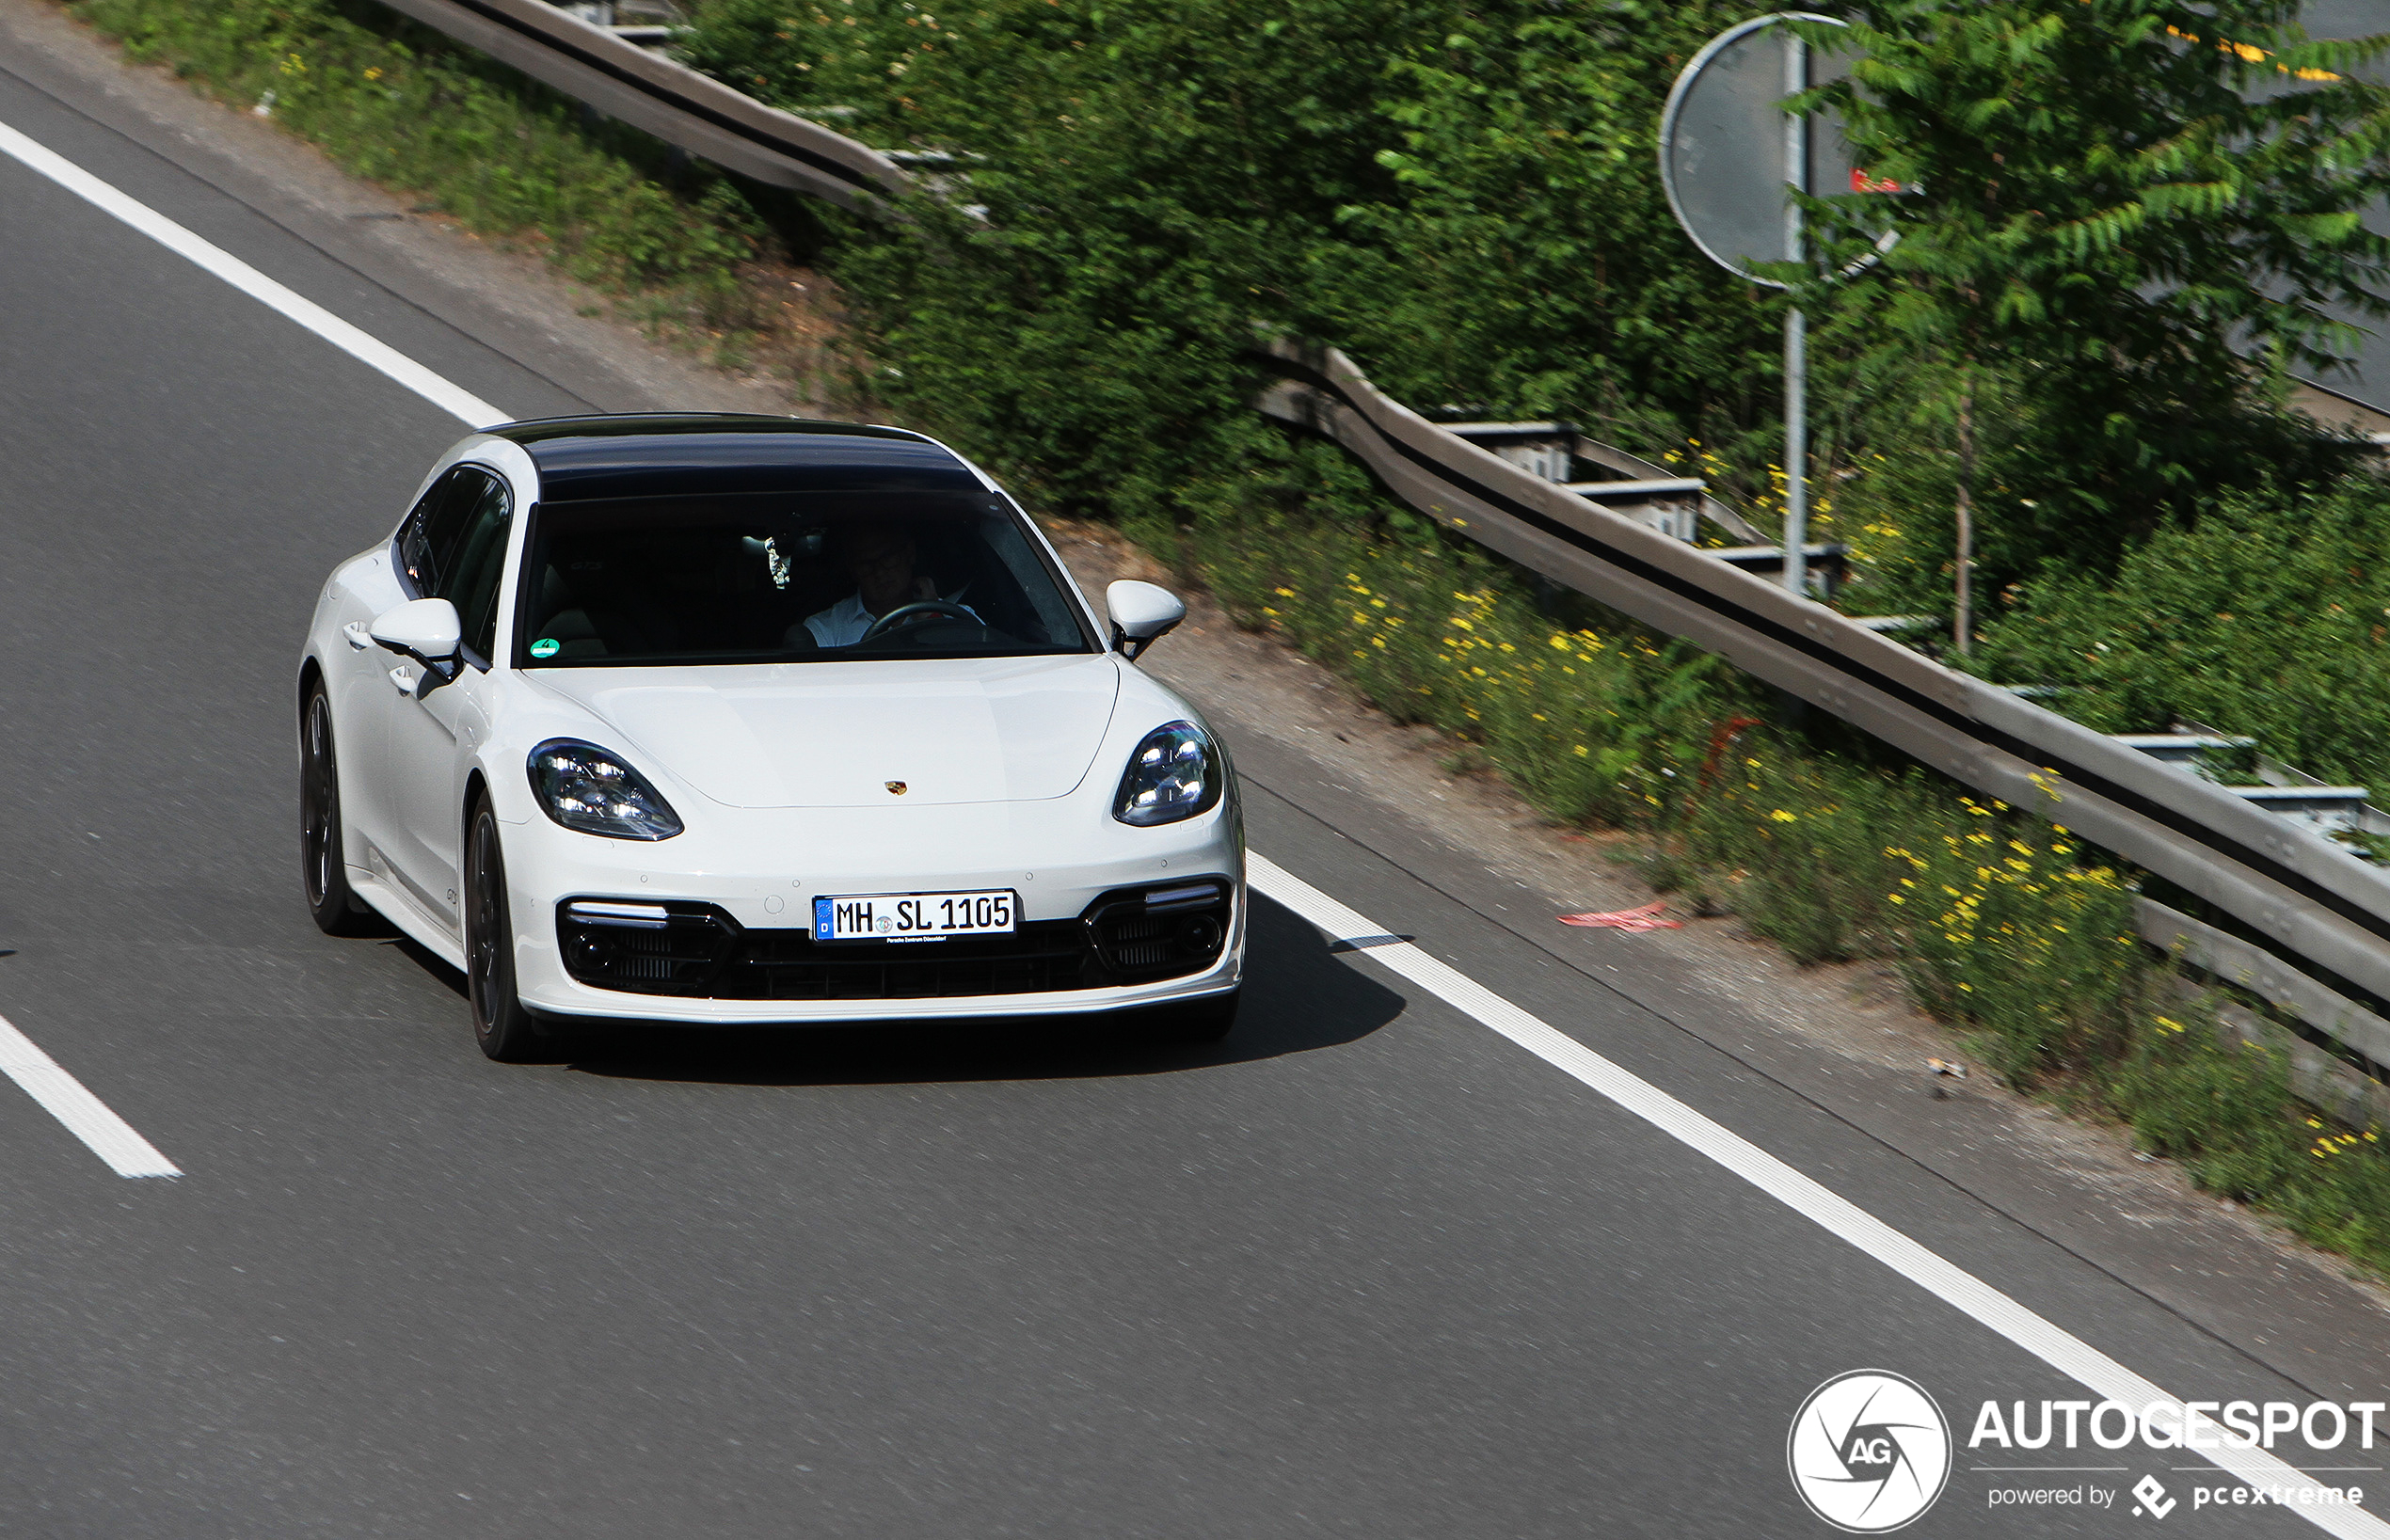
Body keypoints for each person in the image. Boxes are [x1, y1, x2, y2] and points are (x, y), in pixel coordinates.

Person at [797, 524, 976, 647]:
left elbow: (975, 675)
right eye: (866, 564)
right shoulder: (824, 630)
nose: (879, 572)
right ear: (853, 570)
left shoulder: (960, 618)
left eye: (888, 558)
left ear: (910, 554)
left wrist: (932, 618)